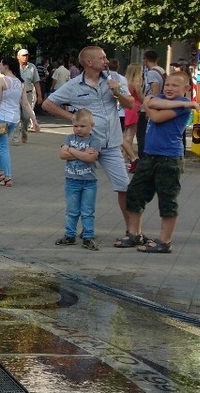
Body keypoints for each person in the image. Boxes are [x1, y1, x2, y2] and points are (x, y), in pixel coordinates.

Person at [42, 45, 136, 246]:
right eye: (102, 58)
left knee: (124, 187)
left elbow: (130, 105)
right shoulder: (74, 85)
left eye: (106, 57)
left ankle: (133, 232)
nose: (106, 61)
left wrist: (117, 92)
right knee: (79, 188)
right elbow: (47, 104)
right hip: (85, 146)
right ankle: (73, 232)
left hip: (111, 145)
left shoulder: (117, 79)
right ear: (89, 62)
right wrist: (74, 119)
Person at [122, 71, 198, 254]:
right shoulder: (182, 103)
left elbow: (155, 116)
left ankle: (164, 241)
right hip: (149, 156)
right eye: (168, 84)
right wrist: (183, 101)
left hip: (169, 159)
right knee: (134, 193)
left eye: (176, 85)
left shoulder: (183, 109)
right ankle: (134, 234)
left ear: (187, 88)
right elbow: (151, 101)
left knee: (167, 201)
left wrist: (149, 104)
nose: (170, 88)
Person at [57, 109, 103, 250]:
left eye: (82, 126)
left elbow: (90, 158)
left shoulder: (95, 141)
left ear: (91, 126)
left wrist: (72, 150)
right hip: (72, 180)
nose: (78, 129)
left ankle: (88, 236)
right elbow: (63, 155)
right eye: (76, 126)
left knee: (87, 211)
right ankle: (70, 234)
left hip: (89, 182)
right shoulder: (69, 138)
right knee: (72, 210)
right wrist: (81, 153)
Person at [0, 57, 33, 187]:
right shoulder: (20, 83)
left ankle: (7, 176)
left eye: (1, 64)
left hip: (2, 118)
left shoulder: (2, 81)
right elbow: (25, 103)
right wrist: (35, 121)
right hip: (14, 119)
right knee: (0, 144)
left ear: (6, 66)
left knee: (3, 146)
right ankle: (1, 173)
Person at [137, 50, 165, 157]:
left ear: (145, 59)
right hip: (158, 106)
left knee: (142, 134)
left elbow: (155, 91)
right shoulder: (161, 70)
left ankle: (143, 159)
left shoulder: (152, 72)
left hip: (150, 108)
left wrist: (148, 107)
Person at [15, 48, 42, 145]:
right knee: (16, 117)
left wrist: (39, 96)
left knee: (26, 117)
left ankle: (24, 132)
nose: (25, 57)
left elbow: (36, 82)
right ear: (18, 57)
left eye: (27, 55)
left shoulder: (32, 67)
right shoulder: (14, 67)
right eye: (23, 55)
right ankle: (15, 137)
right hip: (16, 95)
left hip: (28, 94)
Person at [122, 63, 144, 170]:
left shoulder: (125, 82)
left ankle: (124, 157)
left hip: (126, 108)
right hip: (135, 108)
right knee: (130, 134)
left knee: (126, 133)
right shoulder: (137, 83)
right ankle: (126, 158)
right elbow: (141, 97)